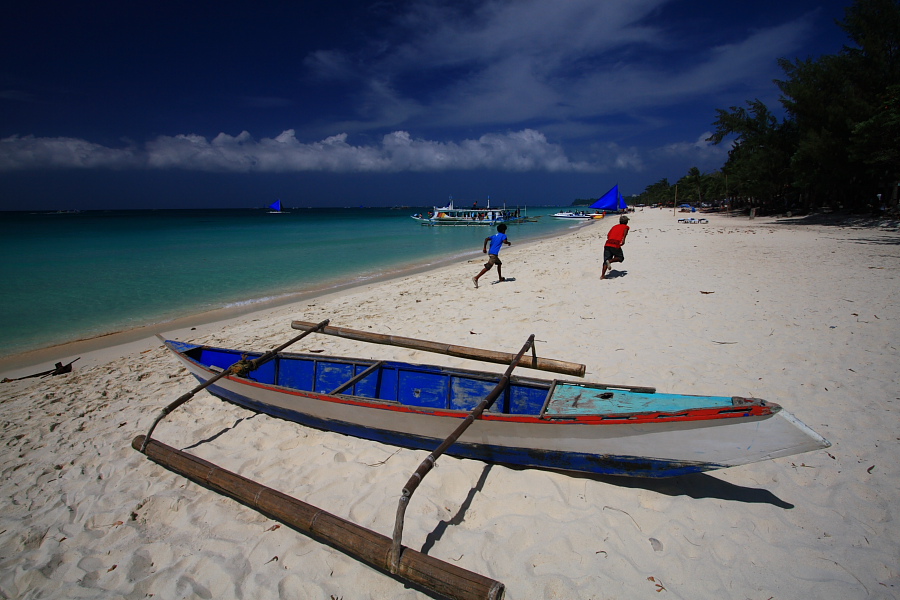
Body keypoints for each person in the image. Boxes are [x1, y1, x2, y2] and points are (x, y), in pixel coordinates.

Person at [473, 223, 511, 288]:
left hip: (491, 253)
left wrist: (484, 248)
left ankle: (500, 278)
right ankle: (476, 278)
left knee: (499, 264)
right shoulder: (503, 235)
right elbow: (504, 241)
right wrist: (508, 243)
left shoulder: (494, 236)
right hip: (493, 254)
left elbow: (486, 239)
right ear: (503, 230)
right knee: (488, 267)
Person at [601, 215, 629, 280]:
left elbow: (608, 236)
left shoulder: (614, 226)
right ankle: (610, 261)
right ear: (626, 221)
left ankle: (602, 276)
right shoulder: (626, 227)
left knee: (605, 261)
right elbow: (625, 232)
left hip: (607, 244)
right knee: (620, 257)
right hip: (615, 244)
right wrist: (623, 240)